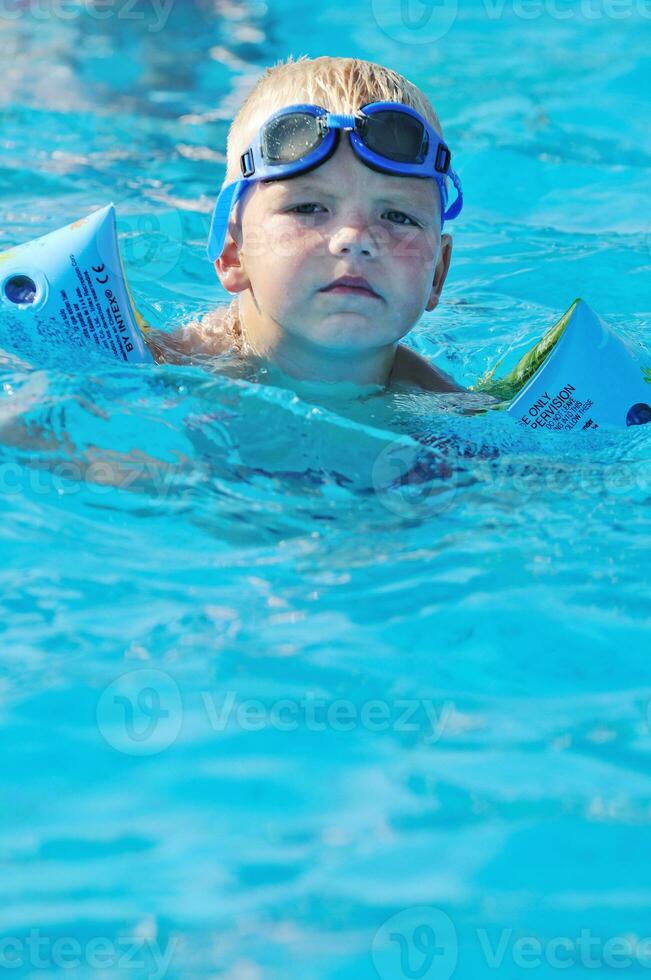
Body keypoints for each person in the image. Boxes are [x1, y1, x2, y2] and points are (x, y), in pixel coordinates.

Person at [145, 55, 469, 396]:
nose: (355, 238)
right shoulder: (155, 370)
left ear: (438, 273)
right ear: (233, 253)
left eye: (398, 216)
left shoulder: (461, 420)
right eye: (308, 207)